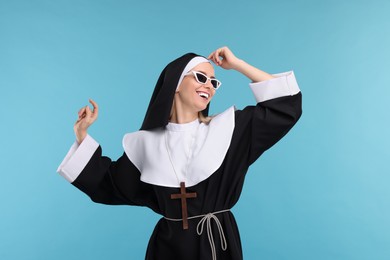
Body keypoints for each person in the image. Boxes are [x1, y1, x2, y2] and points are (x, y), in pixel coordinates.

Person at [57, 46, 302, 260]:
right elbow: (107, 183)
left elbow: (284, 106)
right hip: (167, 249)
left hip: (218, 245)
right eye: (200, 77)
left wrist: (237, 64)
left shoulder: (229, 130)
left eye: (214, 82)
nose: (209, 86)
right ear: (175, 84)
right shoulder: (146, 143)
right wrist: (82, 134)